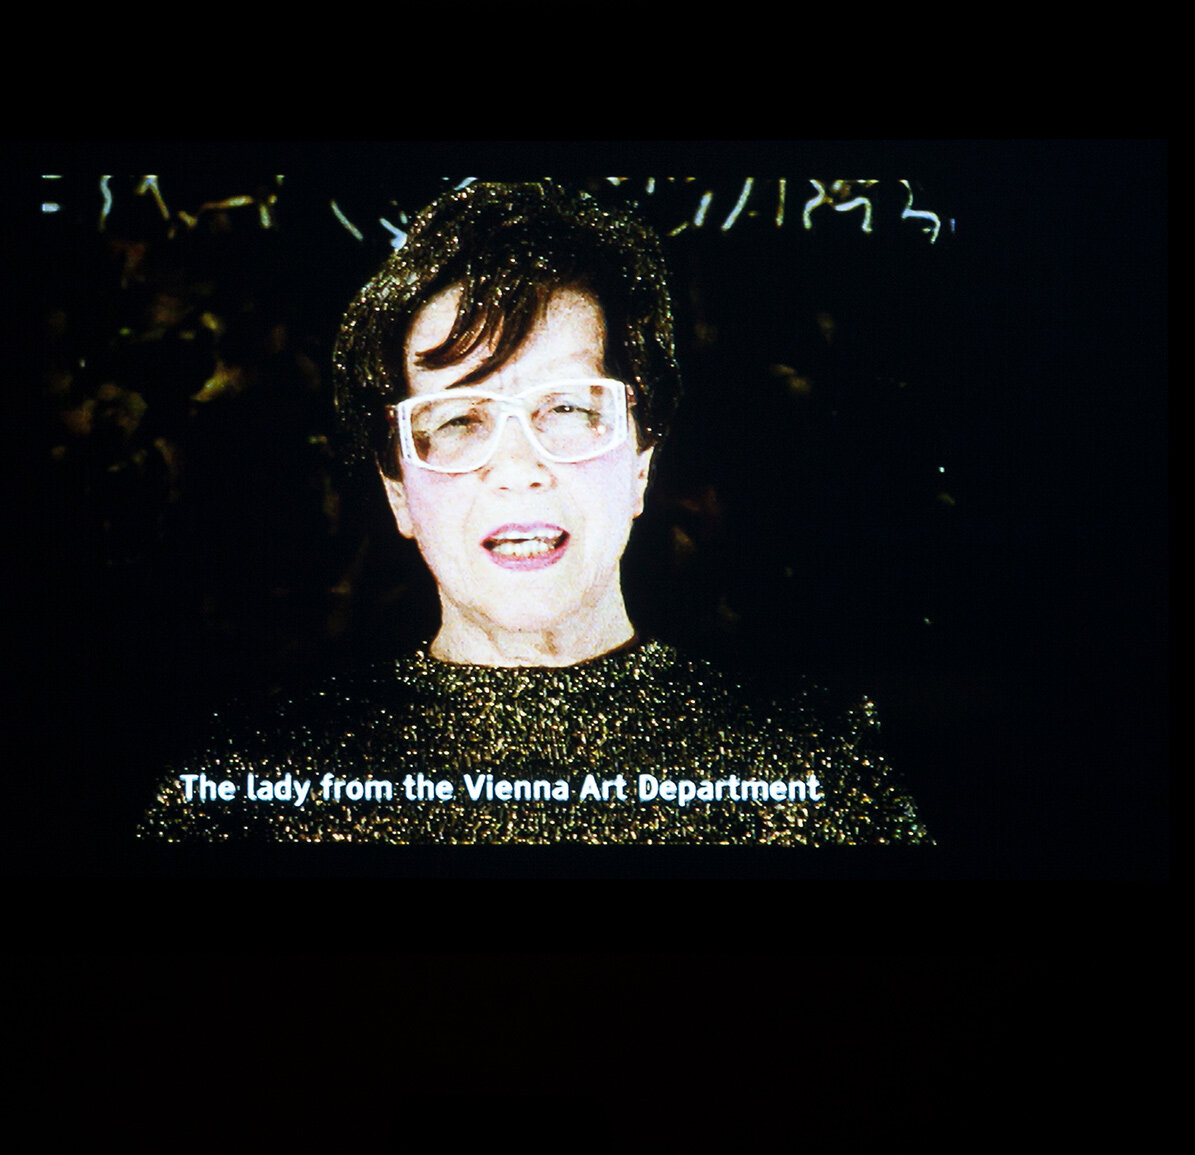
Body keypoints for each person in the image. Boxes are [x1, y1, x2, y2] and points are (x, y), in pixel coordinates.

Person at [137, 180, 929, 845]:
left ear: (641, 464)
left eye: (568, 409)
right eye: (457, 420)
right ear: (398, 493)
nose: (518, 468)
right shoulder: (254, 789)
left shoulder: (811, 771)